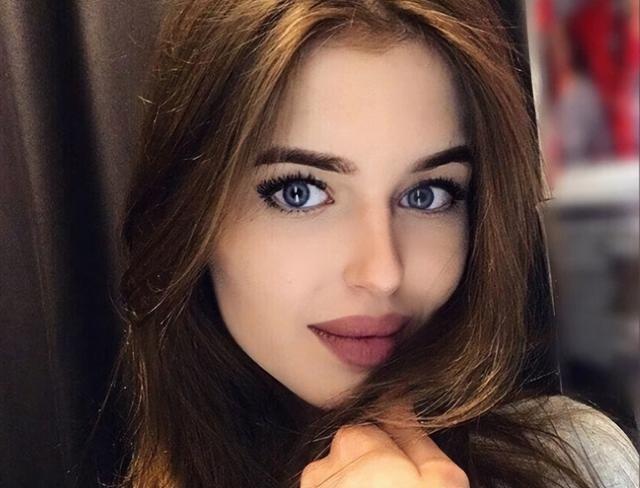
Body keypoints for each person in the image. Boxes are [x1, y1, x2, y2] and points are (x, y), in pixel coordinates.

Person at [114, 1, 639, 487]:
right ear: (190, 212)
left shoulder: (571, 461)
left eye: (428, 195)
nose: (383, 273)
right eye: (299, 192)